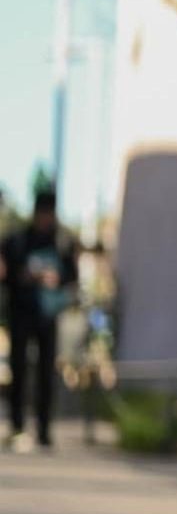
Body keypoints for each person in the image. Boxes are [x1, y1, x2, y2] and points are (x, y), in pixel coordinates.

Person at [2, 189, 77, 450]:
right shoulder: (18, 241)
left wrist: (57, 280)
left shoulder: (62, 242)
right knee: (19, 369)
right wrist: (23, 276)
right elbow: (6, 275)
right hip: (22, 313)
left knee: (47, 372)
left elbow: (72, 279)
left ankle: (44, 429)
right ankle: (17, 426)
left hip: (48, 316)